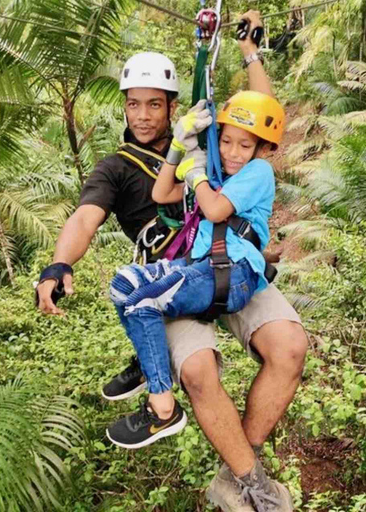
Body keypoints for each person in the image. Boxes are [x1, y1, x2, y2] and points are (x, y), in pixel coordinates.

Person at [35, 11, 307, 512]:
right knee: (201, 370)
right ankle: (253, 485)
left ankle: (235, 470)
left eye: (153, 105)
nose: (142, 115)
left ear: (171, 106)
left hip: (231, 260)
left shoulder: (209, 138)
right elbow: (84, 219)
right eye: (133, 105)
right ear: (125, 107)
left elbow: (260, 114)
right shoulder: (115, 169)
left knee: (290, 346)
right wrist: (59, 264)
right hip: (176, 279)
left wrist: (248, 50)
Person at [106, 93, 282, 450]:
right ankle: (150, 363)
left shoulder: (258, 172)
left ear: (261, 149)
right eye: (226, 141)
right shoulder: (218, 176)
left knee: (143, 304)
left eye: (244, 145)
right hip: (204, 266)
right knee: (124, 284)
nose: (233, 152)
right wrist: (177, 147)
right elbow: (161, 191)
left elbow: (216, 211)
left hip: (235, 272)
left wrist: (198, 175)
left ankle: (163, 408)